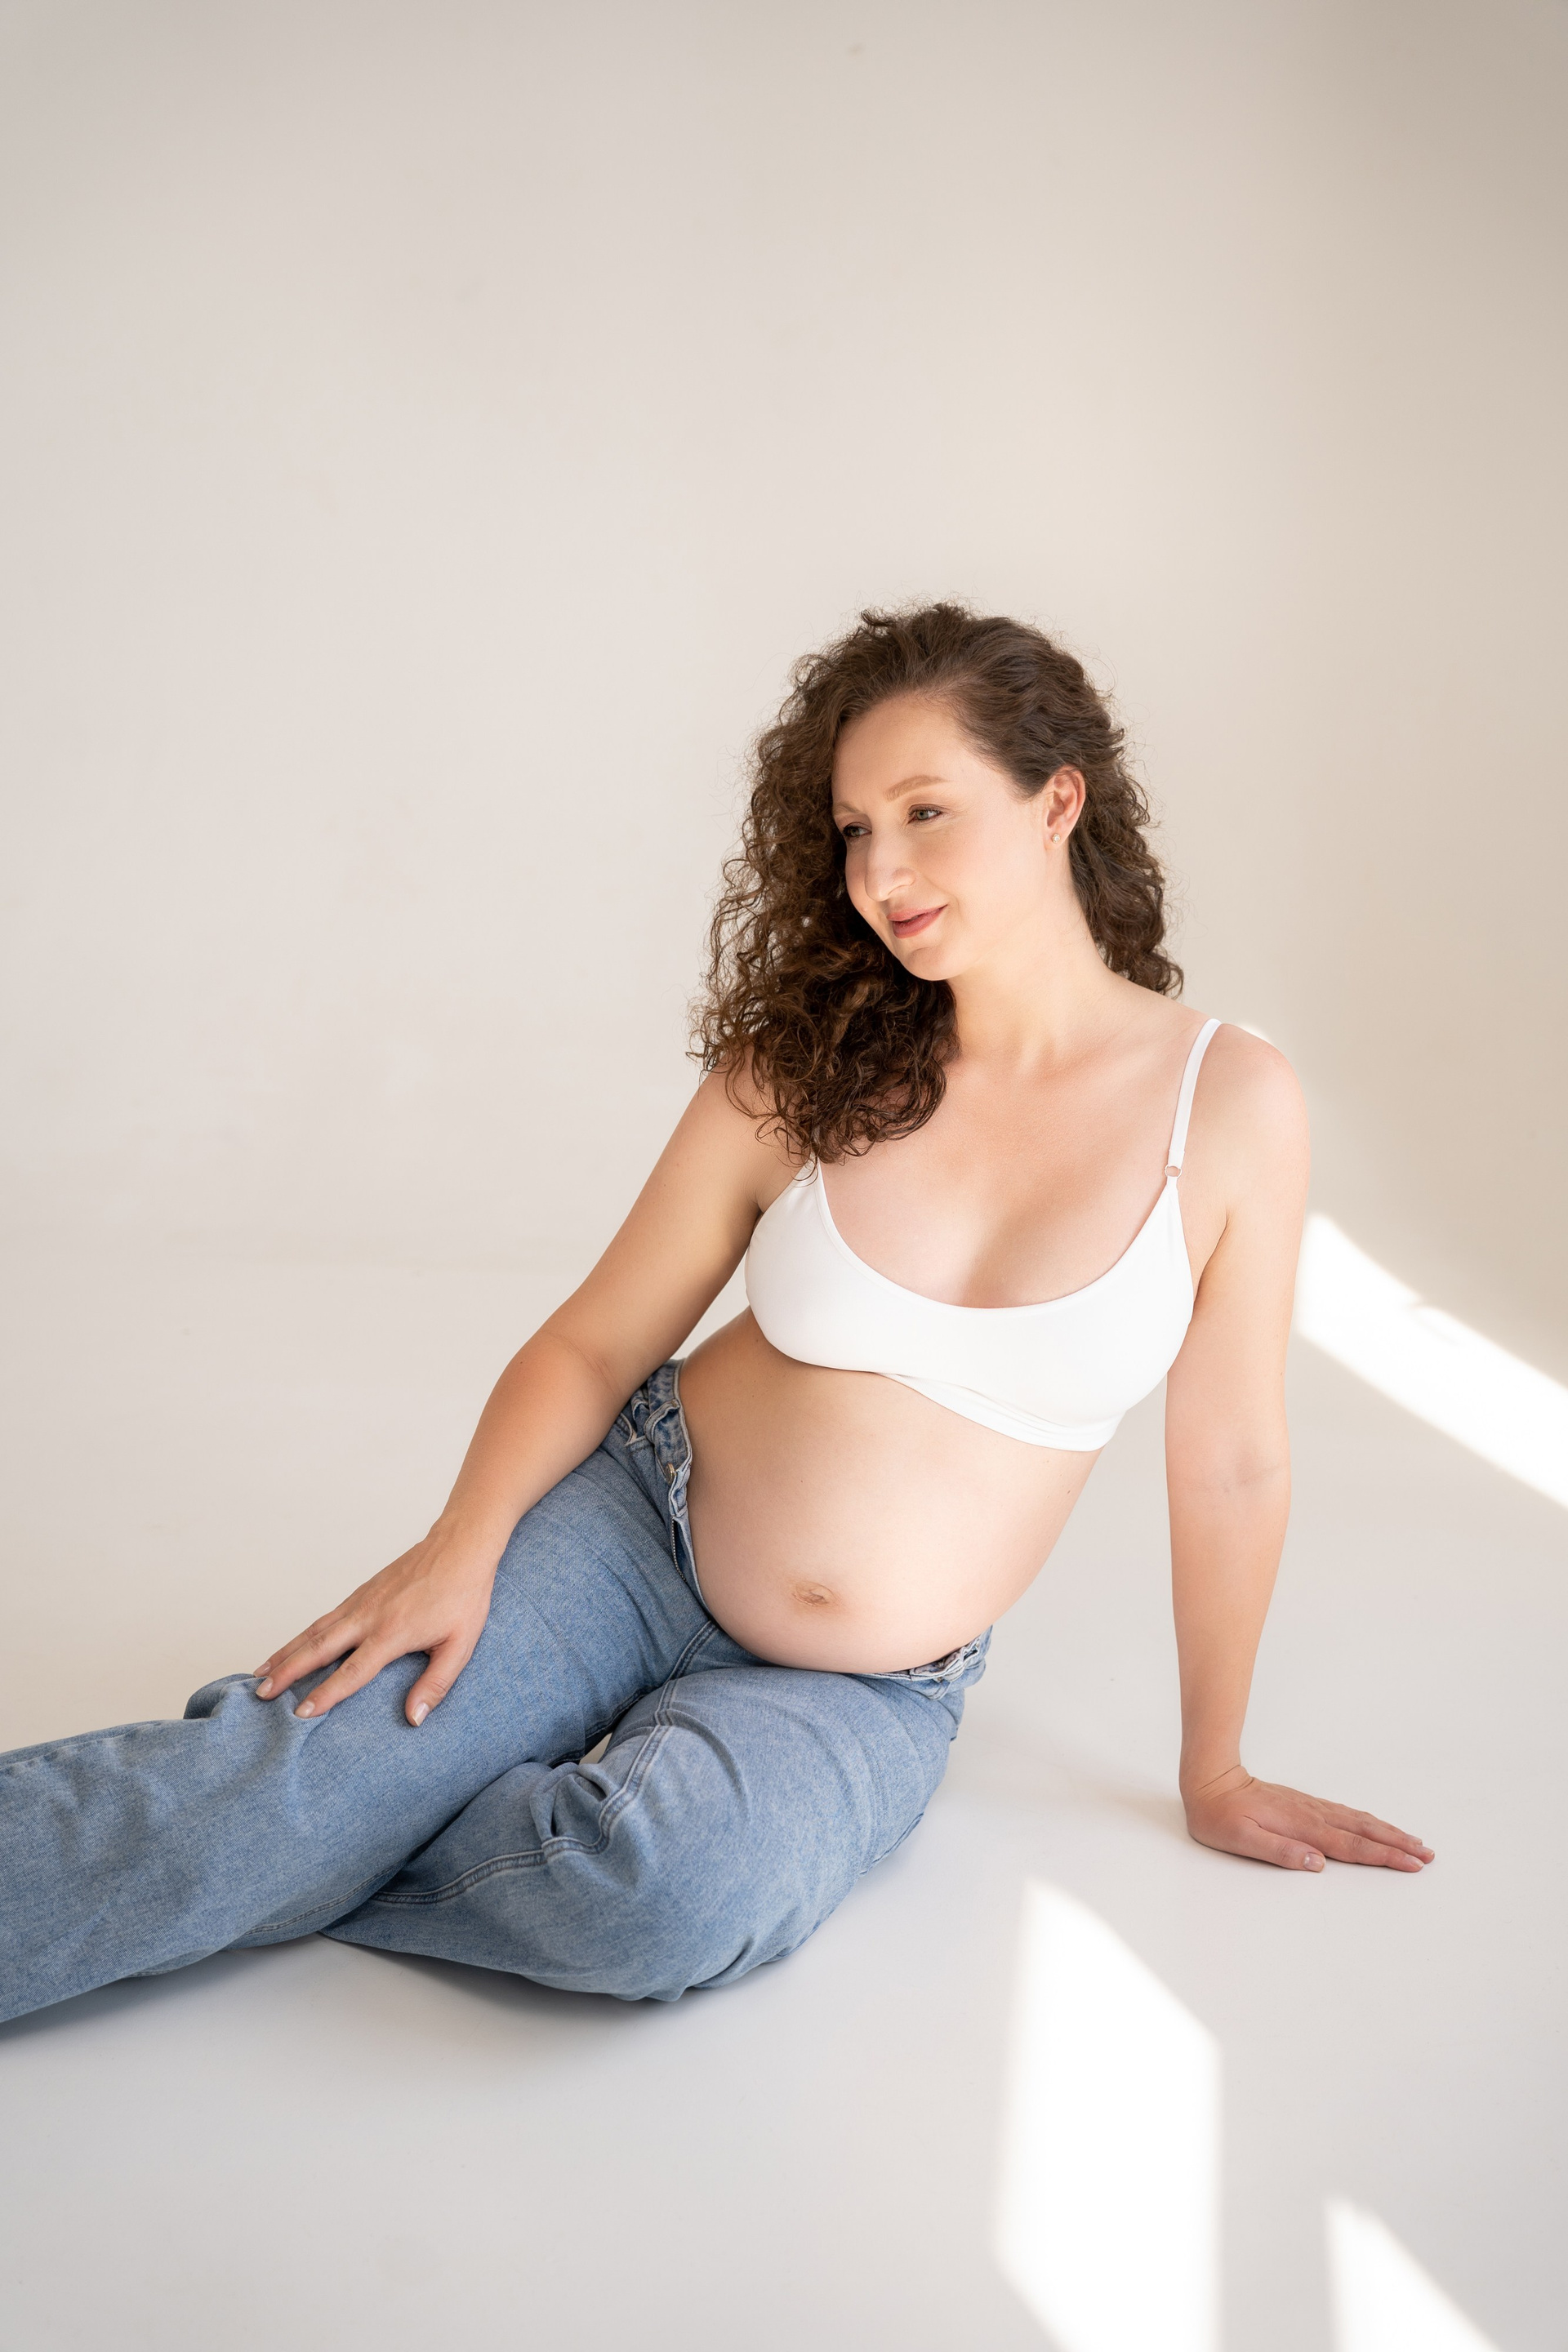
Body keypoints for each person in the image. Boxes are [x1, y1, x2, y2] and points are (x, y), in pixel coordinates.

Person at [0, 603, 1432, 2024]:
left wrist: (1213, 1767)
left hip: (868, 1685)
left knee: (655, 1899)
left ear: (1058, 801)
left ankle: (327, 1825)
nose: (880, 872)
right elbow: (594, 1341)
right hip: (637, 1526)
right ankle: (294, 1812)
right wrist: (460, 1545)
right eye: (853, 829)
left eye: (925, 812)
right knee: (270, 1793)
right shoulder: (806, 1066)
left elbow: (1232, 1463)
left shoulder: (1228, 1105)